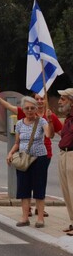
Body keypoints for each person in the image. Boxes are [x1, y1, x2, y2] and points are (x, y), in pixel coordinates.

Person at [0, 91, 62, 217]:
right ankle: (27, 211)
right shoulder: (21, 120)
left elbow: (56, 134)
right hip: (25, 155)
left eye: (42, 99)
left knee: (39, 184)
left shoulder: (47, 118)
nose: (41, 101)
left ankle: (40, 210)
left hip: (43, 155)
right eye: (38, 98)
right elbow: (9, 107)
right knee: (25, 185)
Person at [5, 96, 53, 228]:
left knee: (39, 188)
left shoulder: (42, 121)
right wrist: (10, 153)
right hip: (23, 160)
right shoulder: (19, 123)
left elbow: (49, 135)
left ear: (36, 109)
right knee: (23, 188)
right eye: (27, 108)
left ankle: (40, 219)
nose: (30, 110)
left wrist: (50, 122)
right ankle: (25, 217)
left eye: (32, 108)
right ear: (23, 109)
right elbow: (17, 143)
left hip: (39, 159)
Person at [57, 88, 73, 236]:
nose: (59, 101)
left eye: (63, 98)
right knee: (67, 192)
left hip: (72, 156)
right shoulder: (68, 118)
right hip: (64, 154)